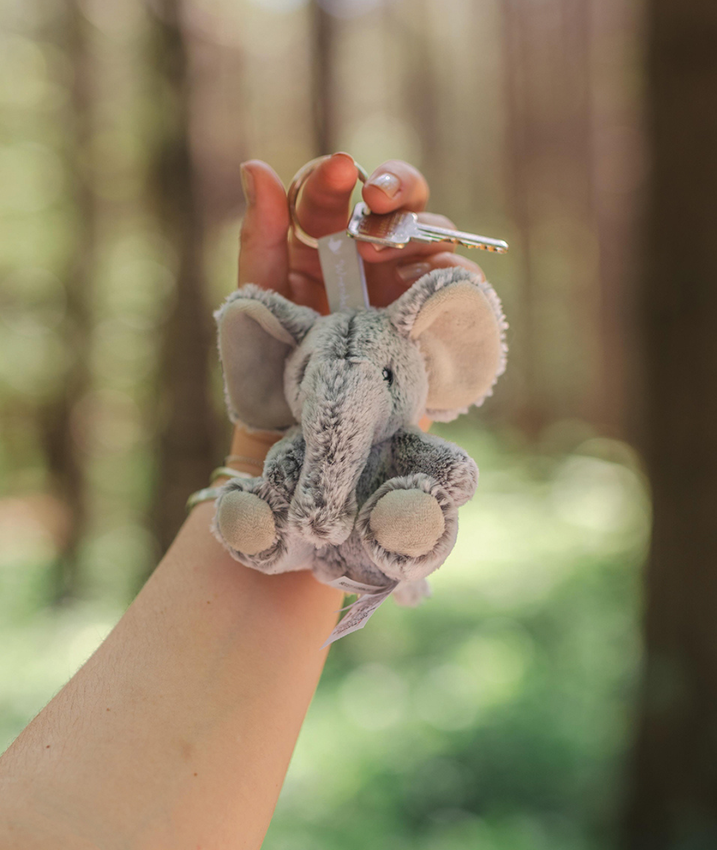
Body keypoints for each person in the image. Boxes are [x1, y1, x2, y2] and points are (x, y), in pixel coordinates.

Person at [0, 153, 484, 849]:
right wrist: (265, 474)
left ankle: (387, 524)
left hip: (369, 487)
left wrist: (298, 451)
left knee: (409, 508)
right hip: (286, 496)